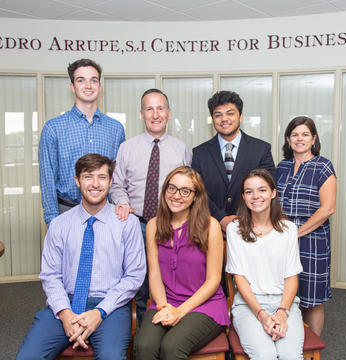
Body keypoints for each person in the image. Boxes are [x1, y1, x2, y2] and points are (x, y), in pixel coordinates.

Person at [16, 154, 146, 360]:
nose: (95, 184)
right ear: (77, 181)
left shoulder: (127, 224)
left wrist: (99, 312)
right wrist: (65, 313)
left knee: (111, 357)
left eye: (102, 177)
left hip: (110, 306)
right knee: (27, 357)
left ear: (111, 182)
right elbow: (50, 276)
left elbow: (134, 276)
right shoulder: (59, 225)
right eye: (88, 177)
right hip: (65, 303)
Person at [109, 88, 192, 325]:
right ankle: (144, 334)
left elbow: (189, 189)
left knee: (170, 282)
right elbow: (116, 186)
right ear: (141, 114)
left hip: (170, 225)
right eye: (149, 109)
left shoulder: (182, 149)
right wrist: (123, 204)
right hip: (136, 226)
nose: (155, 114)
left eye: (160, 108)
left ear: (168, 113)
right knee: (140, 285)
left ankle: (171, 328)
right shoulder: (127, 148)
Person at [136, 166, 230, 359]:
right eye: (172, 188)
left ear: (196, 196)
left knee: (172, 347)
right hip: (165, 302)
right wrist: (163, 307)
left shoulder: (210, 225)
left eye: (185, 190)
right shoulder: (153, 225)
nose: (177, 195)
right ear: (165, 191)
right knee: (144, 345)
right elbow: (154, 274)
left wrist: (180, 311)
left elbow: (214, 280)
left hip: (204, 305)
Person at [226, 169, 304, 360]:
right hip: (249, 305)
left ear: (273, 192)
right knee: (265, 355)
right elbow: (240, 279)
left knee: (290, 356)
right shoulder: (234, 229)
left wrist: (282, 313)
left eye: (262, 190)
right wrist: (261, 315)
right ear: (243, 196)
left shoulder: (289, 229)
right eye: (249, 191)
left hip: (285, 303)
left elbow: (292, 277)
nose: (256, 196)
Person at [39, 58, 125, 225]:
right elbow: (47, 178)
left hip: (106, 213)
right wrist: (52, 220)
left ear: (99, 86)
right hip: (66, 211)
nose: (88, 85)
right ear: (72, 86)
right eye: (81, 80)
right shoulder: (53, 128)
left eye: (93, 80)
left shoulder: (116, 129)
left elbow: (118, 176)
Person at [277, 116, 336, 336]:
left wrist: (296, 233)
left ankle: (312, 349)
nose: (299, 139)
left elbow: (327, 209)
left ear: (314, 139)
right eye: (294, 134)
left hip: (312, 239)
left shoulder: (323, 166)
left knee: (312, 298)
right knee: (286, 294)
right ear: (288, 139)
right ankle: (289, 341)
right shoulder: (281, 166)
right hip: (282, 236)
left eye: (305, 134)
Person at [192, 90, 276, 236]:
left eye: (230, 113)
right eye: (218, 115)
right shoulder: (200, 153)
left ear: (241, 116)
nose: (224, 119)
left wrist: (243, 219)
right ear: (212, 118)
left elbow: (268, 188)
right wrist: (221, 218)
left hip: (253, 228)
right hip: (210, 230)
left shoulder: (261, 149)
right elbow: (198, 191)